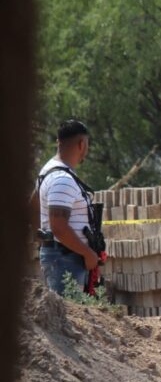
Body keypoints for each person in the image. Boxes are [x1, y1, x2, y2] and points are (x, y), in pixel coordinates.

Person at [31, 120, 99, 295]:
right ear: (82, 145)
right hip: (66, 260)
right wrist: (88, 253)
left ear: (58, 143)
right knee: (68, 315)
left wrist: (44, 239)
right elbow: (59, 226)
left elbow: (32, 205)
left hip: (61, 256)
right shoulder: (63, 179)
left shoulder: (48, 171)